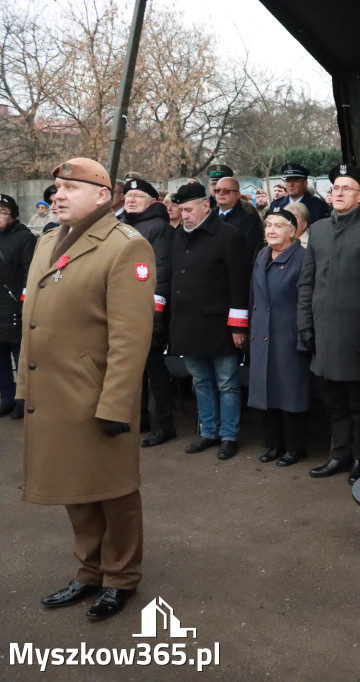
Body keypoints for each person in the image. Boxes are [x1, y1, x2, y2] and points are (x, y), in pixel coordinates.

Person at [18, 157, 155, 620]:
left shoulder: (125, 247)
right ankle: (88, 569)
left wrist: (115, 404)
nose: (57, 195)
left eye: (69, 188)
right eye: (56, 188)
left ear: (102, 196)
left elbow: (131, 338)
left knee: (113, 490)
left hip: (96, 394)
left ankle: (120, 577)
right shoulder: (48, 242)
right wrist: (24, 383)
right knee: (75, 487)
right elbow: (32, 321)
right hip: (54, 391)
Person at [298, 165, 360, 484]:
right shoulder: (318, 230)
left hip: (354, 334)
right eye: (335, 188)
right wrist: (305, 325)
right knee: (333, 402)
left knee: (359, 404)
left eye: (347, 188)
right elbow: (307, 282)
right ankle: (339, 454)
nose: (338, 193)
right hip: (323, 332)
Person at [168, 183, 249, 460]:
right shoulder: (178, 235)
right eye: (181, 210)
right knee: (200, 381)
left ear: (206, 205)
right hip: (188, 324)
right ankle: (208, 431)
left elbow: (239, 284)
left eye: (189, 210)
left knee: (226, 382)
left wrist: (239, 326)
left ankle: (229, 435)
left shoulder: (229, 236)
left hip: (219, 325)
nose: (184, 215)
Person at [248, 207, 311, 467]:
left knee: (290, 394)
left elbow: (305, 301)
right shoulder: (262, 254)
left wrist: (302, 336)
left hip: (288, 335)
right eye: (268, 225)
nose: (271, 230)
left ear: (293, 231)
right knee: (267, 391)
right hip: (262, 333)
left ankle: (294, 448)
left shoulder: (302, 258)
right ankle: (273, 444)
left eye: (279, 225)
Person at [121, 179, 176, 447]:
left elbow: (161, 272)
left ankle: (164, 425)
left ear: (152, 201)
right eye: (128, 195)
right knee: (133, 369)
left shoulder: (158, 228)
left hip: (149, 310)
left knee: (155, 370)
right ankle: (139, 418)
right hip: (126, 308)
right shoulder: (123, 226)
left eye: (137, 196)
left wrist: (156, 314)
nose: (130, 200)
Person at [0, 194, 36, 418]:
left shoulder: (25, 238)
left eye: (3, 212)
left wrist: (25, 302)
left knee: (20, 354)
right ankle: (7, 396)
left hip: (15, 305)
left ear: (13, 215)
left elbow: (29, 273)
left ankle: (24, 399)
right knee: (0, 357)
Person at [214, 177, 263, 261]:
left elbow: (246, 251)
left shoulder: (248, 220)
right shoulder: (208, 216)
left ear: (237, 195)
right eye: (217, 190)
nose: (221, 193)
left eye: (226, 191)